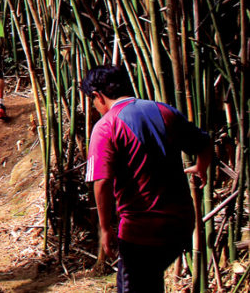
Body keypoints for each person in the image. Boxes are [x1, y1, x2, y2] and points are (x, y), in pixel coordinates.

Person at [81, 64, 213, 293]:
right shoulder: (163, 110)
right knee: (151, 281)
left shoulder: (106, 126)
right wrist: (201, 167)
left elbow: (101, 182)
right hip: (180, 226)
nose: (94, 106)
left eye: (92, 101)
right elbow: (204, 142)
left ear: (98, 96)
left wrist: (104, 227)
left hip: (141, 231)